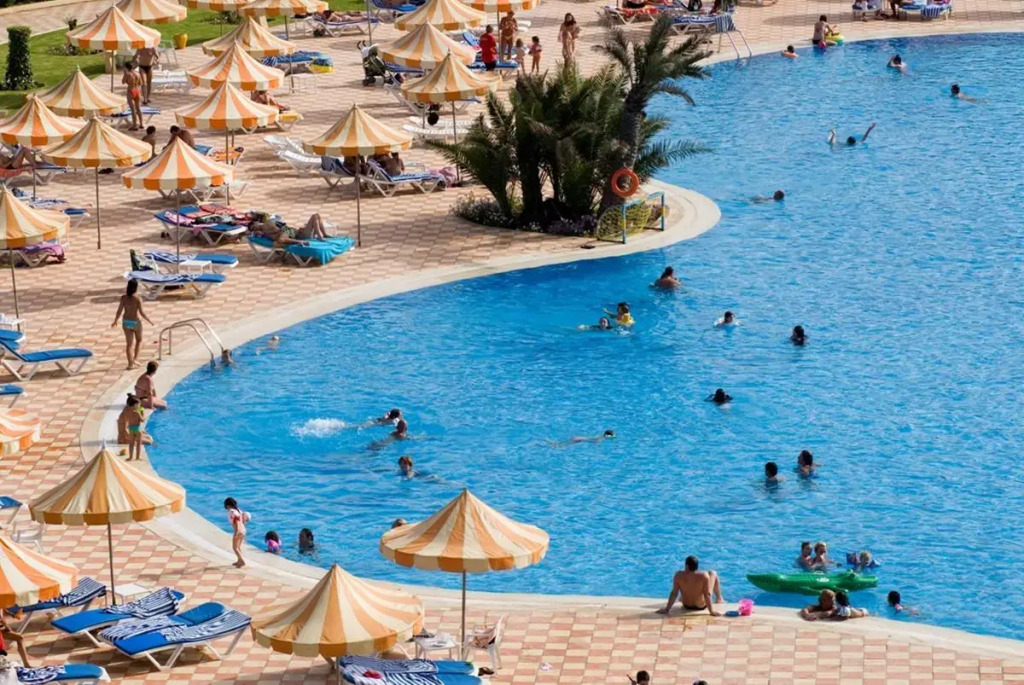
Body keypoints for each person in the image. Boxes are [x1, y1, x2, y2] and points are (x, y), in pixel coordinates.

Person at [656, 555, 724, 617]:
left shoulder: (678, 575)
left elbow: (674, 593)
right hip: (700, 606)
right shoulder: (704, 576)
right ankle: (719, 598)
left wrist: (667, 609)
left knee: (683, 590)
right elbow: (707, 595)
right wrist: (711, 611)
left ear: (687, 566)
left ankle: (682, 598)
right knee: (713, 573)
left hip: (686, 605)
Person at [112, 279, 153, 370]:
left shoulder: (123, 298)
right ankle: (135, 359)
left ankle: (130, 364)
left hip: (126, 322)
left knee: (129, 344)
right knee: (139, 340)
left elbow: (119, 311)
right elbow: (141, 312)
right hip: (135, 322)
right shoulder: (137, 298)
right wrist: (149, 320)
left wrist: (115, 320)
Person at [224, 497, 248, 568]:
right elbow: (243, 520)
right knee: (238, 547)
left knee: (235, 548)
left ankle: (242, 561)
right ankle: (239, 560)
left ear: (228, 505)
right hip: (243, 530)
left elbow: (236, 521)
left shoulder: (232, 512)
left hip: (238, 531)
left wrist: (236, 532)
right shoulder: (239, 511)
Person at [121, 62, 143, 131]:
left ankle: (135, 125)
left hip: (131, 92)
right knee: (138, 108)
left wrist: (124, 74)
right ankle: (141, 124)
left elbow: (123, 82)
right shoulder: (137, 73)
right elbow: (140, 83)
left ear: (126, 67)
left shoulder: (128, 74)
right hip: (137, 91)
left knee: (133, 109)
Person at [122, 395, 144, 461]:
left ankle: (130, 457)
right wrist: (142, 414)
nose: (139, 406)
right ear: (135, 405)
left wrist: (125, 428)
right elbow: (142, 420)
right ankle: (137, 457)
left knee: (131, 444)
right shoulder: (137, 413)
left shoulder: (127, 412)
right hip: (138, 429)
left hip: (131, 429)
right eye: (139, 405)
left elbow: (126, 420)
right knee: (138, 444)